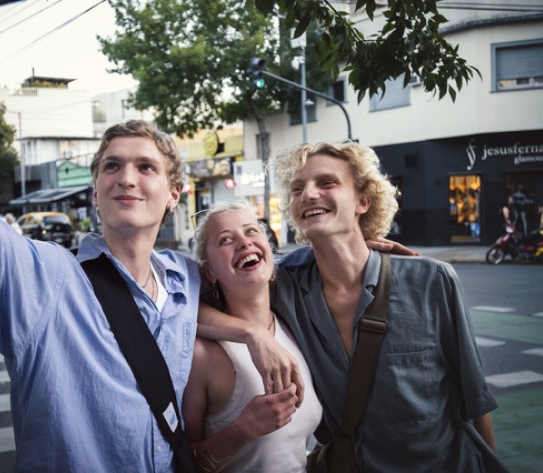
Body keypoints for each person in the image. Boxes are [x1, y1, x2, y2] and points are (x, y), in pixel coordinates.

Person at [0, 0, 230, 471]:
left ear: (173, 194)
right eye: (111, 166)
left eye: (146, 167)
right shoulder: (49, 279)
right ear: (96, 191)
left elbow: (276, 279)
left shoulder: (186, 280)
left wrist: (367, 248)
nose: (127, 177)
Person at [200, 141, 500, 471]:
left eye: (326, 183)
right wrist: (252, 333)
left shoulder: (432, 280)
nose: (308, 194)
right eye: (298, 188)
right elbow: (178, 309)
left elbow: (476, 402)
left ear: (363, 200)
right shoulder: (286, 287)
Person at [182, 203, 322, 472]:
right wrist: (243, 429)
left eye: (251, 231)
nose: (245, 243)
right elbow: (183, 462)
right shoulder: (203, 355)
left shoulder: (293, 322)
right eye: (226, 239)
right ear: (208, 271)